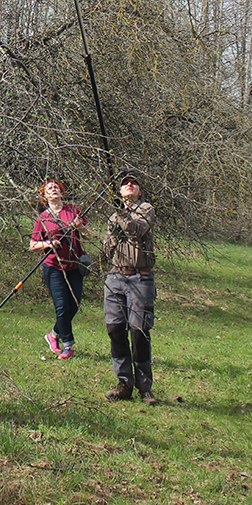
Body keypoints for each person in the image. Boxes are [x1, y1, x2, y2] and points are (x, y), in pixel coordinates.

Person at [101, 171, 159, 405]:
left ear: (139, 190)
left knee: (139, 332)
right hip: (116, 278)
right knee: (115, 330)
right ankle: (124, 383)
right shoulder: (114, 216)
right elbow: (105, 251)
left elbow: (136, 230)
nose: (129, 185)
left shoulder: (146, 209)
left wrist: (121, 215)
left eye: (133, 183)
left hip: (140, 279)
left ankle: (145, 388)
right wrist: (112, 236)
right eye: (125, 183)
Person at [29, 179, 88, 359]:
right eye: (49, 189)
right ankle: (68, 345)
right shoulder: (43, 218)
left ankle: (53, 334)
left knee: (74, 305)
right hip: (54, 267)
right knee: (62, 306)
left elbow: (89, 233)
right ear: (44, 196)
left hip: (74, 266)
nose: (54, 190)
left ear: (62, 193)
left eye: (56, 188)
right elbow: (32, 245)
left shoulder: (73, 211)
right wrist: (48, 244)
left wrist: (81, 226)